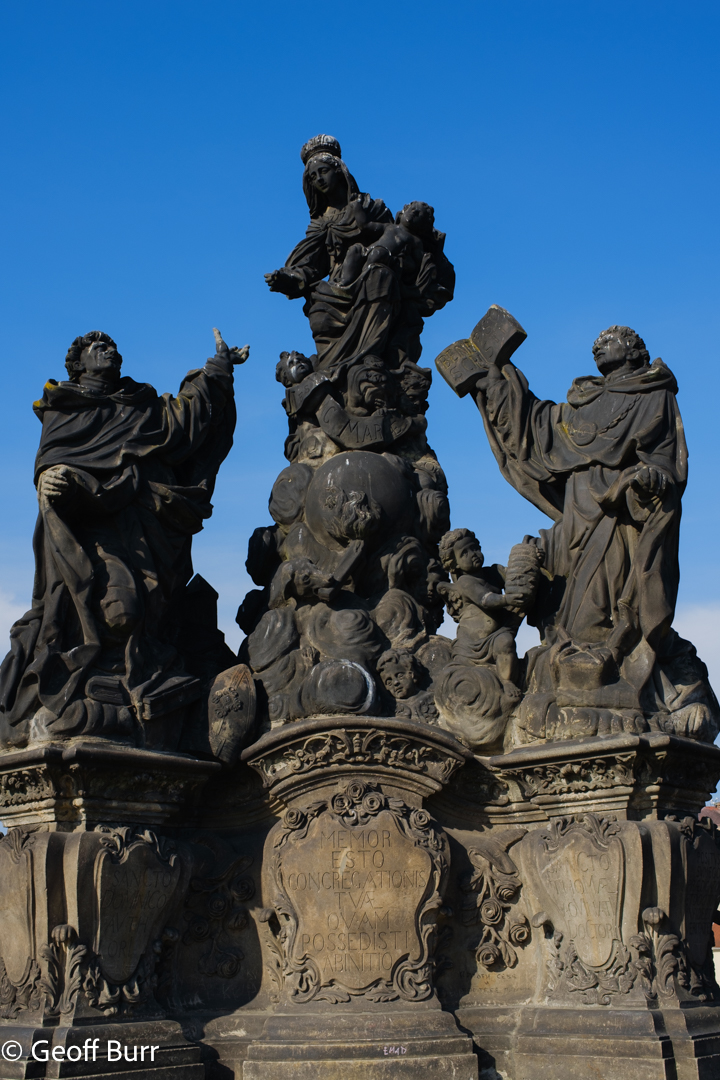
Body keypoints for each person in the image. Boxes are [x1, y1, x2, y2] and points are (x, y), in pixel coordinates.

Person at [0, 328, 248, 747]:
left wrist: (217, 367)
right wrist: (52, 479)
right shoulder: (66, 407)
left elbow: (186, 422)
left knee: (151, 611)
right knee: (119, 608)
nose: (110, 351)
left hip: (146, 528)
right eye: (99, 348)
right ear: (79, 363)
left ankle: (137, 686)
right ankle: (100, 679)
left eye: (113, 346)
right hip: (92, 529)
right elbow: (52, 463)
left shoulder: (140, 404)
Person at [472, 324, 719, 739]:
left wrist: (649, 480)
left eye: (612, 339)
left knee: (604, 602)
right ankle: (580, 667)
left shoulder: (654, 395)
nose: (600, 344)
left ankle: (608, 670)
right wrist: (496, 376)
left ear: (634, 349)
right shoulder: (585, 401)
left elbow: (665, 462)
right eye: (597, 342)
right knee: (573, 599)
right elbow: (538, 427)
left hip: (621, 517)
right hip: (577, 514)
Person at [265, 136, 454, 372]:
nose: (319, 180)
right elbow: (310, 265)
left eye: (323, 171)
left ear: (339, 171)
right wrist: (291, 278)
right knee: (319, 313)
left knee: (380, 277)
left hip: (373, 278)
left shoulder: (369, 207)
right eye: (313, 177)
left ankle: (370, 358)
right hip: (337, 287)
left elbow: (398, 242)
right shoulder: (319, 224)